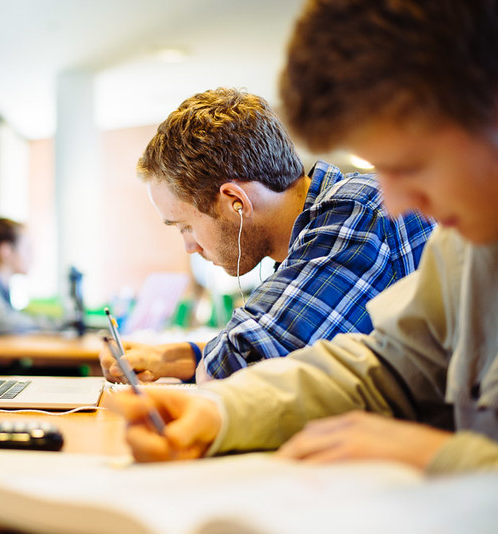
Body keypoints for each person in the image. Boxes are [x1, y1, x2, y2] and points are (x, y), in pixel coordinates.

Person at [108, 0, 498, 474]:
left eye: (411, 165)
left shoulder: (362, 208)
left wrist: (442, 458)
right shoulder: (470, 245)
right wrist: (222, 412)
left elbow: (251, 354)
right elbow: (389, 364)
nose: (394, 203)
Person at [100, 87, 434, 384]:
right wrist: (173, 358)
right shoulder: (309, 237)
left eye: (185, 226)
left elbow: (250, 363)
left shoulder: (355, 210)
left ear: (236, 202)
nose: (190, 246)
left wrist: (202, 360)